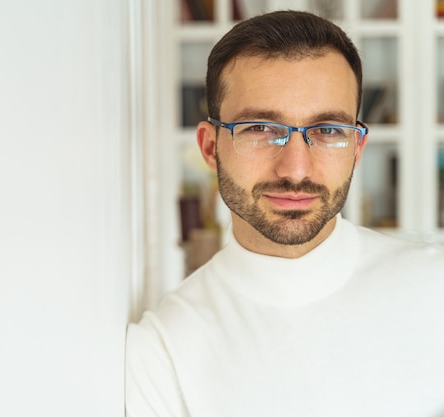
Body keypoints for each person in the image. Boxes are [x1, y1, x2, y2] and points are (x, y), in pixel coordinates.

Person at [125, 10, 444, 417]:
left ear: (357, 150)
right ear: (210, 147)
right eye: (260, 129)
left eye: (328, 131)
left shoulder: (437, 289)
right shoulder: (164, 349)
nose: (295, 169)